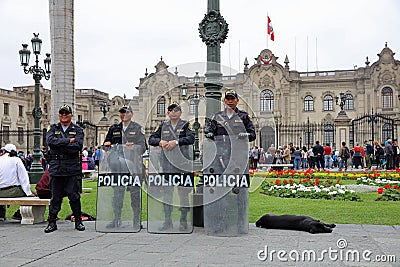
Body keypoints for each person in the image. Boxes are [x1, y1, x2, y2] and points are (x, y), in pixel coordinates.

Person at [206, 89, 256, 233]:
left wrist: (244, 134)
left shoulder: (243, 116)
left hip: (238, 159)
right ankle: (221, 223)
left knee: (239, 191)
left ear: (237, 100)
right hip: (221, 158)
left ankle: (241, 223)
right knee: (221, 191)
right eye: (227, 98)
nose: (229, 101)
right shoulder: (218, 116)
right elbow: (210, 131)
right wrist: (209, 133)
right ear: (224, 101)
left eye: (232, 98)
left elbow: (252, 134)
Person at [148, 102, 195, 231]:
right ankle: (167, 221)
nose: (173, 113)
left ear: (180, 112)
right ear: (168, 113)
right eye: (171, 111)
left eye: (176, 110)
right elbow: (151, 139)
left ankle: (183, 220)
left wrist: (176, 142)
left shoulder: (185, 125)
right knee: (167, 195)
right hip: (167, 165)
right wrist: (160, 142)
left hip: (182, 165)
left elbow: (191, 138)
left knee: (184, 194)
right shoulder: (163, 126)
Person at [103, 105, 146, 229]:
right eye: (121, 113)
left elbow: (143, 147)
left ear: (131, 114)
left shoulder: (137, 128)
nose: (123, 115)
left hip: (133, 167)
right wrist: (106, 144)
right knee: (117, 195)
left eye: (126, 113)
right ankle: (116, 219)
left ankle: (136, 221)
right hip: (118, 168)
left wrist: (135, 147)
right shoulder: (114, 128)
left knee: (135, 195)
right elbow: (106, 143)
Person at [44, 104, 85, 233]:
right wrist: (68, 141)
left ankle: (78, 220)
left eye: (66, 113)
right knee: (55, 197)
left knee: (74, 196)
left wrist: (61, 143)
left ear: (71, 115)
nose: (64, 115)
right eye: (61, 113)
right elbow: (50, 142)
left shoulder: (77, 130)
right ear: (59, 115)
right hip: (57, 166)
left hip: (72, 166)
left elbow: (77, 146)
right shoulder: (53, 128)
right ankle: (51, 222)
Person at [0, 144, 36, 221]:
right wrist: (28, 192)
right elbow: (23, 178)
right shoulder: (16, 160)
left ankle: (1, 215)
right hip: (12, 191)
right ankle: (19, 213)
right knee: (36, 195)